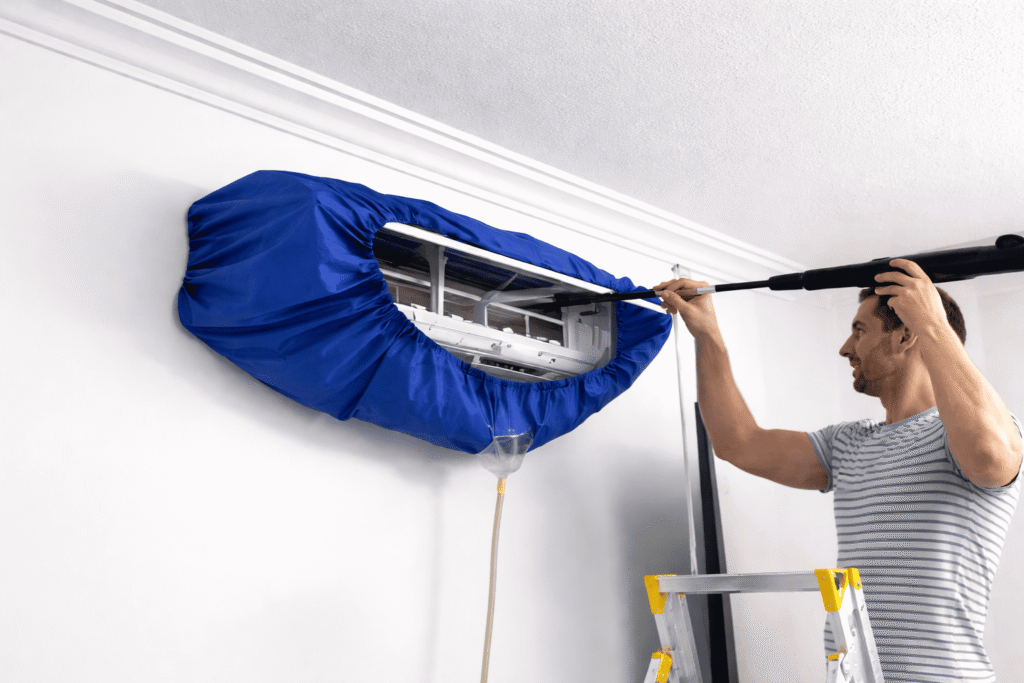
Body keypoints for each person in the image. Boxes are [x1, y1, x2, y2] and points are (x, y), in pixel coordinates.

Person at [656, 259, 1023, 682]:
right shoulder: (849, 443)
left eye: (859, 331)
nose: (846, 348)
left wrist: (934, 324)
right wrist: (708, 336)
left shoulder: (975, 432)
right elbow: (738, 442)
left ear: (906, 334)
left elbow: (991, 459)